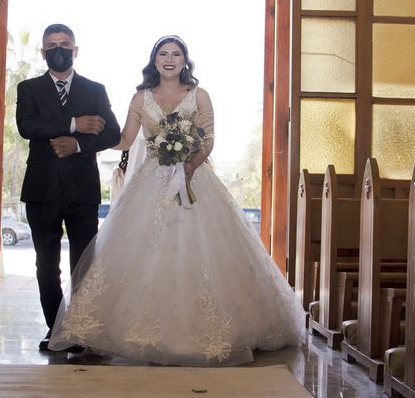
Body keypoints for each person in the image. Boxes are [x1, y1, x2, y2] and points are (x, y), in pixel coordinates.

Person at [48, 35, 305, 365]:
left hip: (195, 177)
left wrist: (190, 165)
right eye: (163, 54)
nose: (169, 59)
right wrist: (84, 136)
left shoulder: (199, 95)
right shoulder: (141, 97)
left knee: (203, 250)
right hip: (151, 180)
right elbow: (125, 139)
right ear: (154, 61)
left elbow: (209, 138)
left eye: (176, 54)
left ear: (185, 61)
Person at [16, 23, 120, 351]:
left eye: (64, 44)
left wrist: (76, 145)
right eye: (51, 45)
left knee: (84, 264)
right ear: (43, 51)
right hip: (41, 190)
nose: (57, 49)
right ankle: (57, 328)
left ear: (75, 50)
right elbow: (26, 126)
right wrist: (75, 124)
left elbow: (111, 134)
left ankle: (81, 327)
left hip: (82, 191)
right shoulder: (28, 88)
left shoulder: (94, 90)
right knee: (46, 264)